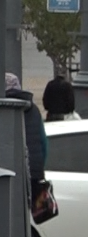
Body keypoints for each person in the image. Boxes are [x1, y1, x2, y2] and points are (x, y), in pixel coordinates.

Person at [5, 73, 47, 214]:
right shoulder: (33, 109)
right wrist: (39, 168)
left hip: (12, 172)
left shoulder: (4, 108)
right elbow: (44, 143)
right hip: (34, 171)